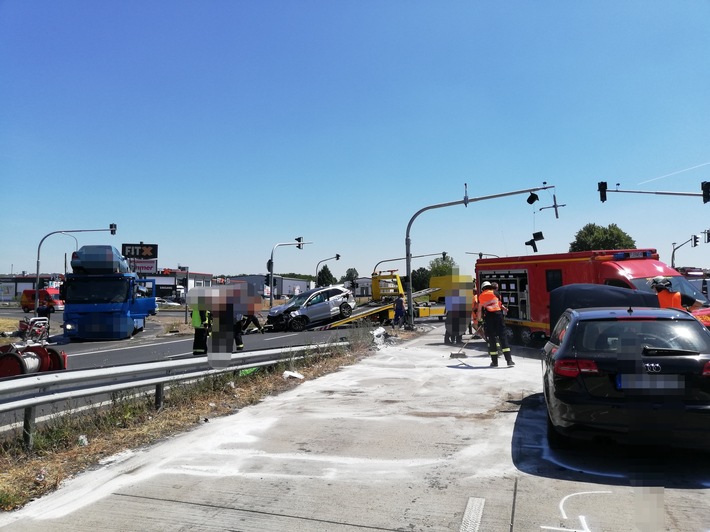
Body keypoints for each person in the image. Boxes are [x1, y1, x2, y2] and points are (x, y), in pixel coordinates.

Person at [478, 281, 514, 367]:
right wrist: (505, 309)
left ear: (483, 288)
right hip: (498, 316)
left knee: (492, 339)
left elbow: (479, 309)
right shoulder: (496, 293)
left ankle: (494, 362)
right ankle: (509, 360)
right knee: (503, 337)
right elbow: (499, 304)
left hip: (489, 318)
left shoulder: (481, 296)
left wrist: (479, 321)